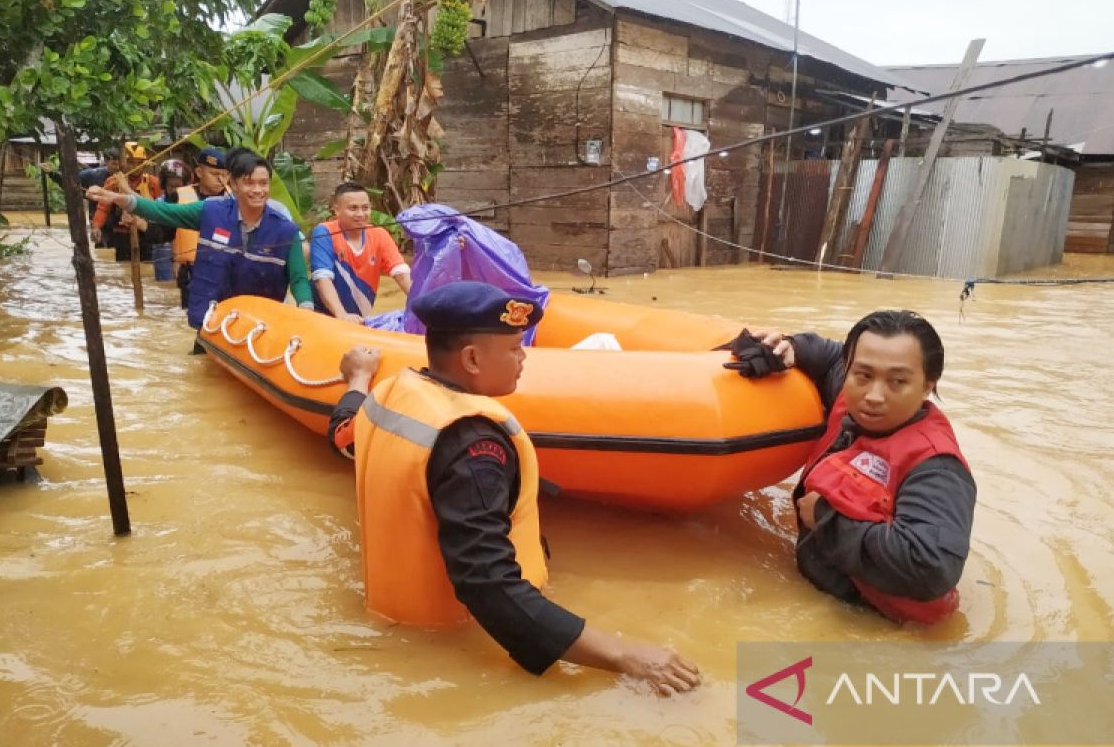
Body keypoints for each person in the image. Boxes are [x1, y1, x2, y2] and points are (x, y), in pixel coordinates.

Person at [329, 281, 701, 693]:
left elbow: (343, 437)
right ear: (471, 358)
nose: (523, 358)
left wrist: (357, 381)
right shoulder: (475, 447)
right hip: (451, 640)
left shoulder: (391, 394)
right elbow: (488, 585)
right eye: (513, 348)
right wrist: (624, 655)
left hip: (393, 629)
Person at [725, 311, 976, 625]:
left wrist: (826, 519)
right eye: (863, 375)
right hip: (815, 589)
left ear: (927, 385)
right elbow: (829, 356)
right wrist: (791, 347)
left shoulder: (936, 467)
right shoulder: (851, 396)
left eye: (897, 381)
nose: (873, 396)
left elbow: (931, 568)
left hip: (874, 623)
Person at [86, 149, 313, 330]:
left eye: (263, 184)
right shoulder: (209, 211)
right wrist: (117, 197)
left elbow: (300, 279)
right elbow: (160, 211)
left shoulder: (286, 230)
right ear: (233, 185)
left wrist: (307, 311)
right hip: (212, 320)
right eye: (249, 183)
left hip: (262, 326)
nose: (257, 190)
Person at [310, 182, 412, 323]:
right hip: (322, 317)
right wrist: (341, 314)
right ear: (336, 210)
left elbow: (401, 273)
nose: (360, 214)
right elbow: (322, 278)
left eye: (365, 208)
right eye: (353, 208)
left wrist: (423, 305)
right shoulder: (324, 232)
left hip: (358, 319)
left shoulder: (380, 235)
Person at [170, 147, 230, 309]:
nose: (221, 180)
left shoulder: (235, 200)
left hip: (224, 271)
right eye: (215, 174)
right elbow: (169, 231)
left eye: (225, 175)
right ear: (199, 172)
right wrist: (176, 260)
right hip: (190, 270)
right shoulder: (180, 196)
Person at [90, 142, 161, 260]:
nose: (135, 167)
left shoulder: (153, 183)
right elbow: (103, 208)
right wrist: (96, 226)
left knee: (148, 268)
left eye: (139, 163)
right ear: (124, 162)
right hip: (121, 236)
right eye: (131, 162)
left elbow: (161, 209)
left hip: (146, 234)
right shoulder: (112, 182)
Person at [79, 148, 120, 246]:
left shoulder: (123, 177)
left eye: (119, 164)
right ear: (106, 161)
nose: (117, 167)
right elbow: (72, 182)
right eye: (114, 164)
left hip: (116, 223)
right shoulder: (92, 175)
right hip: (98, 222)